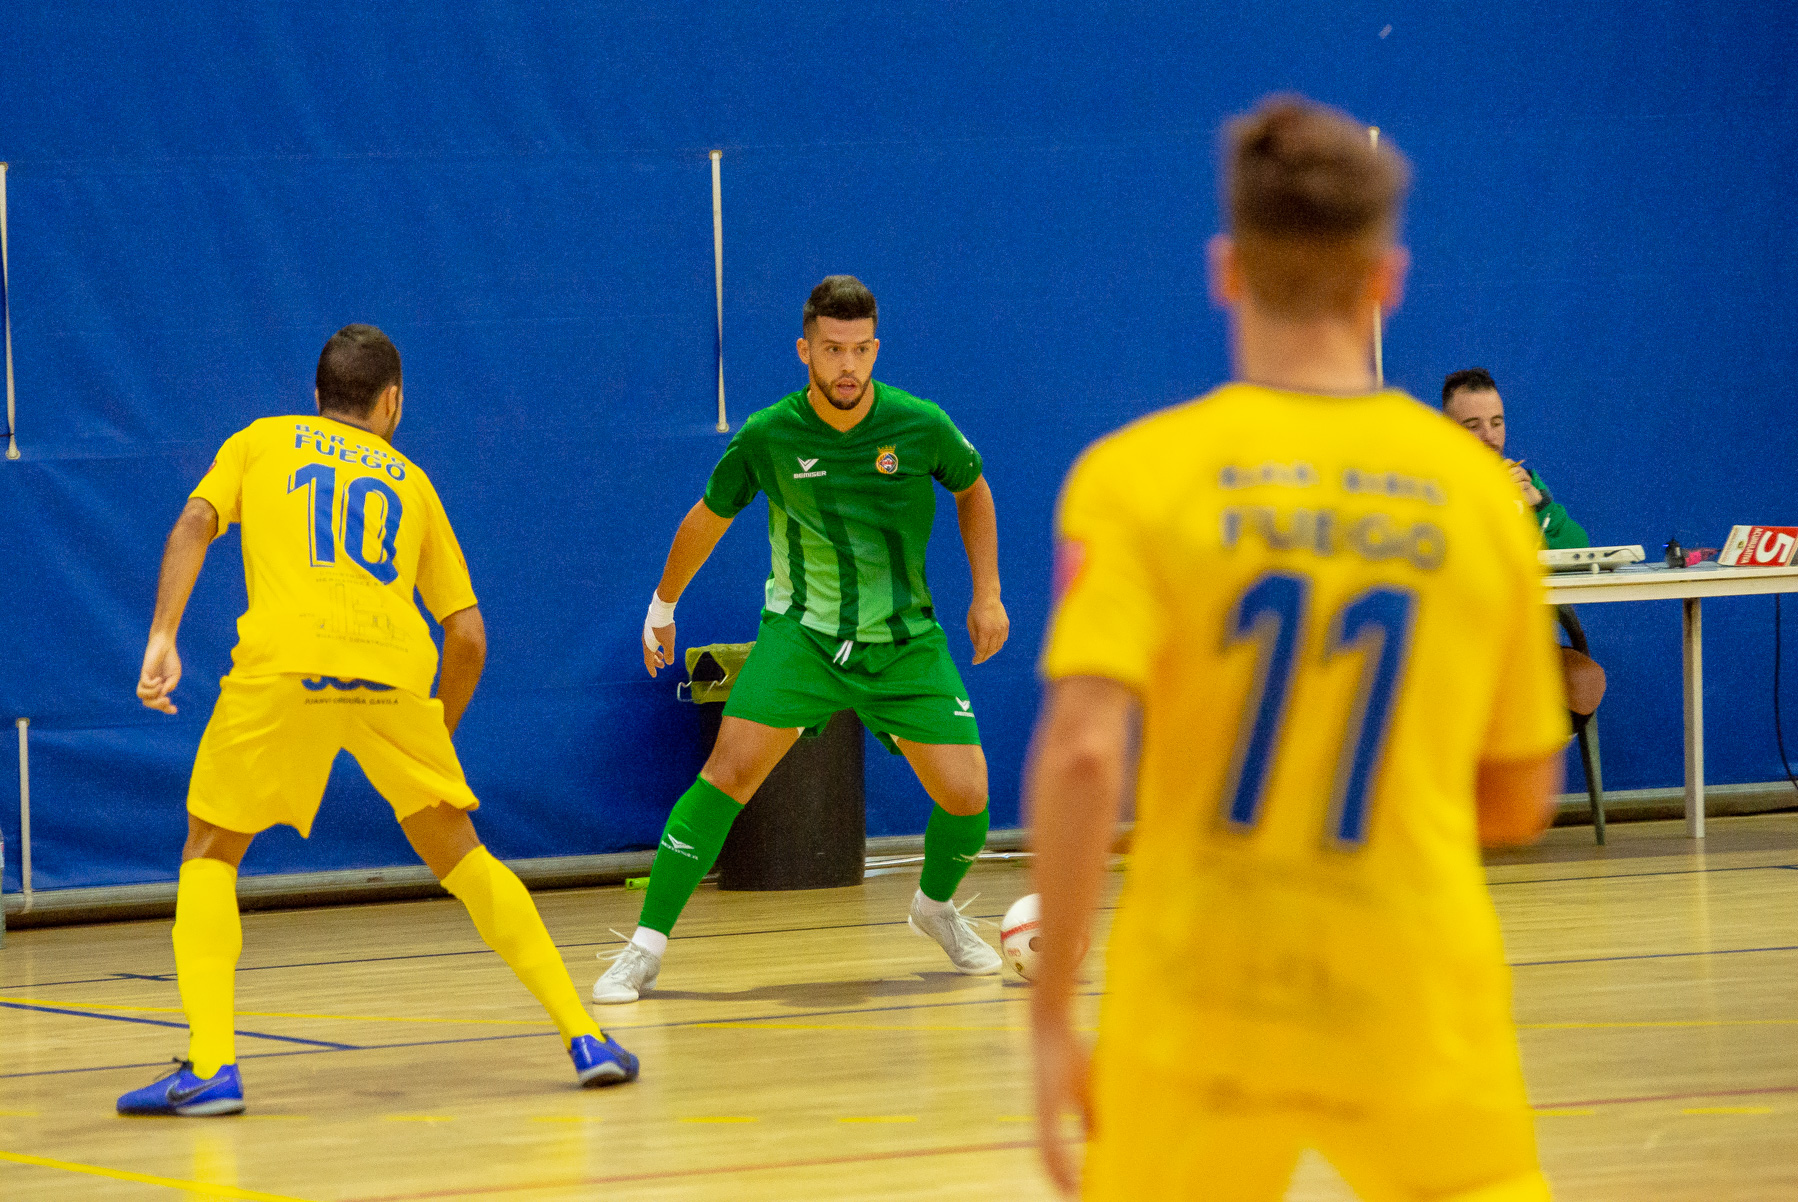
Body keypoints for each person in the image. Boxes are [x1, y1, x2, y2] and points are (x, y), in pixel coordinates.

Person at [1026, 97, 1568, 1199]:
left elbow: (1084, 750)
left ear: (1226, 268)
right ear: (1387, 279)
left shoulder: (1134, 476)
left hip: (1199, 995)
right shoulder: (1479, 495)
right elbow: (1519, 799)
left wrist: (1047, 1019)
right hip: (1413, 988)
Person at [118, 325, 637, 1116]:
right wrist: (437, 734)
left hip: (285, 666)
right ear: (391, 402)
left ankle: (212, 1068)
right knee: (461, 853)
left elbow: (193, 524)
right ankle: (585, 1037)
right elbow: (466, 634)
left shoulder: (262, 441)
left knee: (212, 849)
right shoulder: (412, 482)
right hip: (392, 671)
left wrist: (163, 635)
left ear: (316, 394)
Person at [594, 275, 1009, 1003]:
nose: (846, 366)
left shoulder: (920, 425)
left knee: (969, 794)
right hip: (804, 639)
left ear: (876, 348)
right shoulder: (769, 434)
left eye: (859, 350)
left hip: (905, 642)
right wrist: (662, 604)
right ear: (804, 351)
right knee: (727, 775)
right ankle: (644, 948)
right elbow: (707, 516)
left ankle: (934, 909)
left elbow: (972, 488)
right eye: (830, 350)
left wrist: (988, 593)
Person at [1442, 367, 1588, 548]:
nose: (1489, 436)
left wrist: (1539, 506)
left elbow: (1578, 545)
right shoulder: (1427, 487)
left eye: (1496, 423)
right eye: (1473, 426)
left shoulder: (1521, 480)